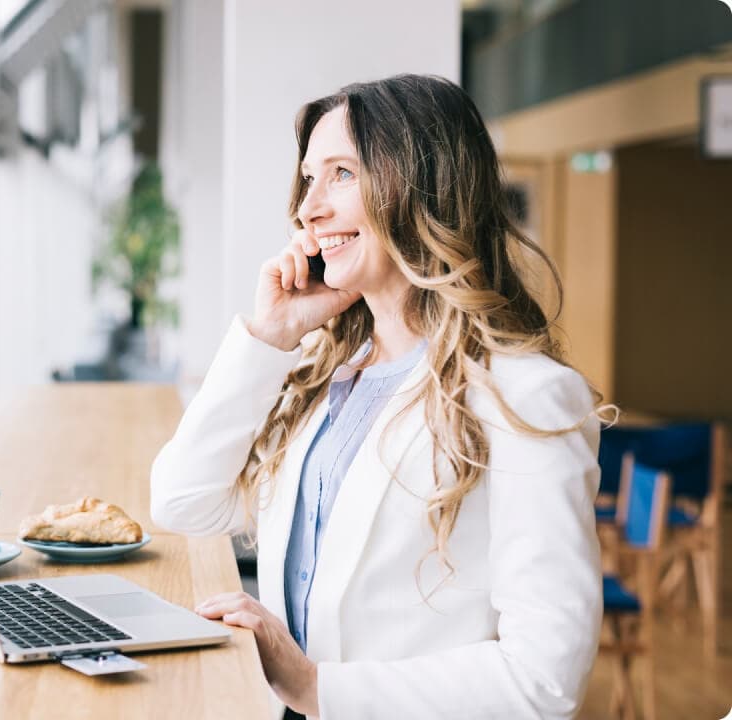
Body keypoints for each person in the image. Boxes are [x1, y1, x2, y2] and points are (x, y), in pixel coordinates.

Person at [150, 75, 609, 719]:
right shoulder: (325, 375)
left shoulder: (524, 395)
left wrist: (314, 687)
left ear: (426, 186)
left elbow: (545, 681)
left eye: (341, 173)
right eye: (309, 178)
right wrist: (268, 337)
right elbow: (181, 501)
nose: (309, 208)